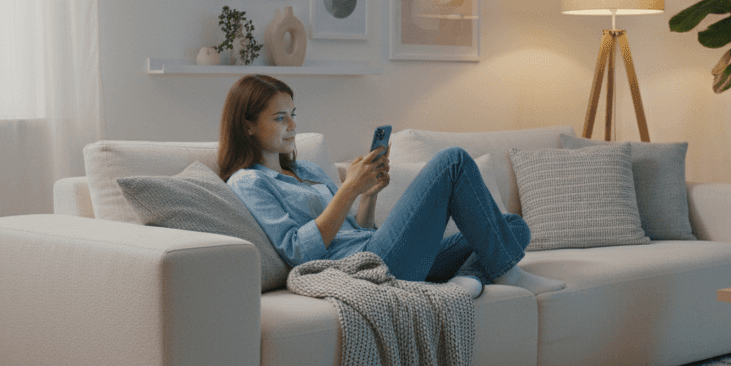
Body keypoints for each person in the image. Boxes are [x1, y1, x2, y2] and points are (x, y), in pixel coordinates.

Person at [219, 74, 564, 298]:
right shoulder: (248, 181)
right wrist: (347, 190)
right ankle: (507, 273)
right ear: (247, 126)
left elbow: (357, 229)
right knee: (453, 162)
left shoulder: (306, 168)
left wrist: (367, 196)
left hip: (374, 246)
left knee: (511, 226)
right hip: (367, 269)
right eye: (280, 118)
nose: (293, 125)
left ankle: (469, 280)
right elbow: (297, 252)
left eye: (293, 113)